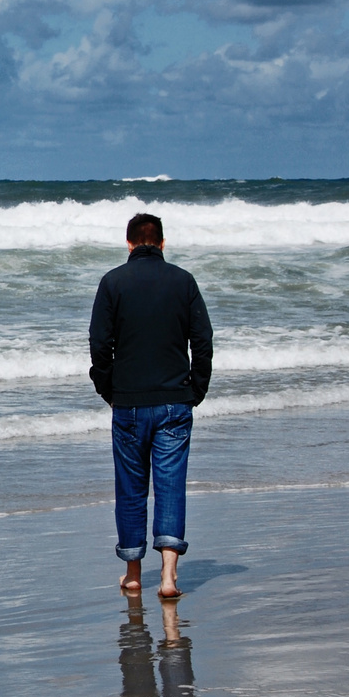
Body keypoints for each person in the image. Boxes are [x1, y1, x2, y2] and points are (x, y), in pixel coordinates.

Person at [89, 213, 212, 600]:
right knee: (171, 484)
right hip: (175, 400)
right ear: (161, 243)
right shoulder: (183, 281)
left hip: (129, 403)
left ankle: (133, 573)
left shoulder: (112, 282)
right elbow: (203, 340)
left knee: (131, 487)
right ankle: (170, 577)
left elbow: (98, 343)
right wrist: (197, 388)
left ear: (129, 244)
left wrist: (108, 388)